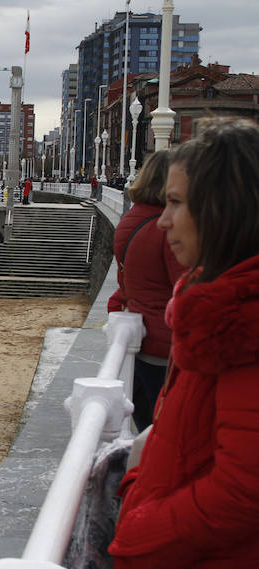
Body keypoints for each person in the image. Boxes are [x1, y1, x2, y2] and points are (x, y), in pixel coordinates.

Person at [108, 119, 259, 569]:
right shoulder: (215, 311)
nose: (164, 220)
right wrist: (136, 486)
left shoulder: (239, 324)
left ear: (222, 210)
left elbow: (242, 492)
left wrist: (137, 535)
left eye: (175, 203)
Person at [107, 151, 187, 432]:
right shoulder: (164, 227)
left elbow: (124, 278)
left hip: (142, 334)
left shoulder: (133, 217)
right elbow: (185, 287)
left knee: (149, 424)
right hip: (165, 344)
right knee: (168, 427)